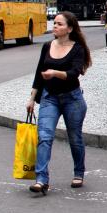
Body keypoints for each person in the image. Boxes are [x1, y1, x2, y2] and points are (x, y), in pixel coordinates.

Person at [26, 12, 92, 195]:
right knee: (44, 136)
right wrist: (32, 98)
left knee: (75, 137)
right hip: (49, 98)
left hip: (72, 98)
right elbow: (39, 73)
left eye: (59, 24)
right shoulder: (47, 46)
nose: (55, 26)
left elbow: (74, 73)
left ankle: (79, 173)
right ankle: (41, 179)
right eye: (54, 23)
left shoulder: (77, 48)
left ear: (69, 29)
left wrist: (55, 73)